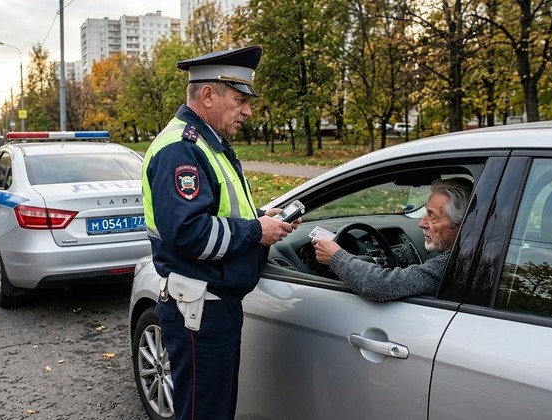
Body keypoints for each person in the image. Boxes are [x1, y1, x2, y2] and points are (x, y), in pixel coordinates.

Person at [142, 45, 298, 420]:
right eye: (240, 100)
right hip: (200, 311)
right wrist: (256, 231)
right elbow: (188, 233)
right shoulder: (181, 150)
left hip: (211, 307)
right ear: (209, 95)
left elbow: (216, 213)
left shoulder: (206, 144)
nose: (248, 111)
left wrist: (261, 218)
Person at [313, 177, 473, 301]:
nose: (421, 223)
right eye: (425, 213)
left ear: (461, 224)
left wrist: (335, 257)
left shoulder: (451, 266)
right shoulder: (474, 254)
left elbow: (380, 286)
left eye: (432, 216)